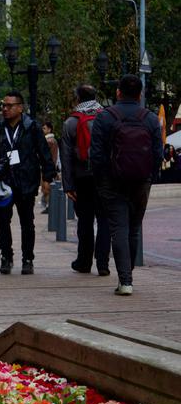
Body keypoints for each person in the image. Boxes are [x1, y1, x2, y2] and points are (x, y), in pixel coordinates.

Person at [89, 74, 163, 296]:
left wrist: (101, 180)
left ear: (118, 92)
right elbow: (158, 154)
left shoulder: (104, 117)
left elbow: (96, 155)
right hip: (141, 181)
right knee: (134, 227)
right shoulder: (150, 119)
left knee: (118, 228)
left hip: (112, 181)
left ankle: (125, 281)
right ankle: (127, 274)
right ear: (140, 94)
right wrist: (149, 177)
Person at [0, 89, 56, 275]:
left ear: (20, 108)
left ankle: (28, 259)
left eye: (9, 105)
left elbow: (44, 154)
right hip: (3, 183)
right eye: (3, 105)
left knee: (27, 222)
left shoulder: (32, 128)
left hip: (26, 182)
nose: (5, 109)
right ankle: (6, 256)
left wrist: (47, 178)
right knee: (2, 220)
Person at [59, 84, 110, 276]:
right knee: (105, 220)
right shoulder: (108, 118)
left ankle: (84, 261)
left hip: (82, 178)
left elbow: (66, 157)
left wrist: (68, 185)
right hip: (105, 177)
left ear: (78, 98)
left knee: (85, 221)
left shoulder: (70, 123)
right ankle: (103, 264)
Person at [40, 121, 60, 213]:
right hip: (49, 166)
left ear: (49, 129)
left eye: (44, 128)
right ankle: (49, 206)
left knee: (46, 188)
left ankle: (50, 207)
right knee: (46, 187)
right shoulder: (52, 140)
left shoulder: (49, 141)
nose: (42, 130)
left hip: (48, 167)